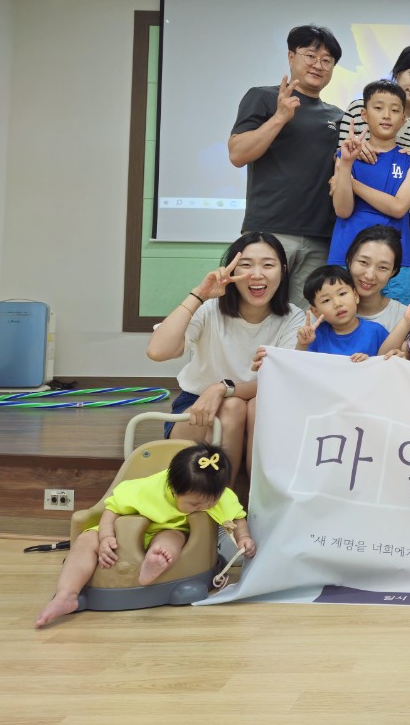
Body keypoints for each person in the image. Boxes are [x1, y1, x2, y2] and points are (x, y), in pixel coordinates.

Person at [36, 443, 255, 627]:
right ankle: (66, 595)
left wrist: (243, 538)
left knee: (171, 539)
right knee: (85, 540)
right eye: (195, 504)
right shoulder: (146, 489)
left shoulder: (215, 496)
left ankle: (155, 561)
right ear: (173, 489)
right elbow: (111, 510)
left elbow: (237, 518)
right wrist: (105, 537)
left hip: (170, 530)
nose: (204, 507)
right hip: (123, 533)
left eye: (210, 503)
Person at [146, 232, 305, 479]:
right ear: (231, 271)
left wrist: (223, 388)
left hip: (259, 414)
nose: (257, 274)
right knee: (233, 407)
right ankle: (223, 499)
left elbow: (279, 382)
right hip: (198, 406)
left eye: (268, 265)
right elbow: (157, 351)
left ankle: (243, 497)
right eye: (246, 265)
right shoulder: (210, 309)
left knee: (245, 405)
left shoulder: (293, 318)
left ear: (283, 271)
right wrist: (199, 294)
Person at [229, 25, 345, 307]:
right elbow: (238, 154)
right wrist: (280, 117)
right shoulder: (264, 97)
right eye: (310, 56)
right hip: (269, 230)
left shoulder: (338, 117)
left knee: (303, 320)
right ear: (291, 57)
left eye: (327, 60)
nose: (318, 65)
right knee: (257, 312)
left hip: (320, 237)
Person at [342, 44, 410, 291]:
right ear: (397, 72)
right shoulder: (360, 109)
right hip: (358, 213)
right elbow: (340, 159)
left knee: (399, 299)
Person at [329, 79, 410, 304]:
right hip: (346, 253)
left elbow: (398, 208)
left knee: (395, 321)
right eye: (378, 108)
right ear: (364, 114)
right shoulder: (346, 156)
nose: (387, 116)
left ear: (403, 119)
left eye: (395, 110)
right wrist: (346, 165)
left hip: (394, 261)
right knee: (341, 317)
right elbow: (342, 210)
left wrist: (350, 181)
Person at [295, 265, 388, 361]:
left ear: (356, 296)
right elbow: (299, 365)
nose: (337, 304)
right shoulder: (315, 336)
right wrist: (303, 345)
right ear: (316, 312)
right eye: (326, 300)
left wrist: (368, 362)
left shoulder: (377, 332)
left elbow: (390, 362)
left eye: (342, 294)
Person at [345, 225, 408, 332]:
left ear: (393, 272)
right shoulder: (325, 311)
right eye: (363, 262)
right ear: (349, 260)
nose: (369, 276)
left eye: (383, 267)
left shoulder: (404, 318)